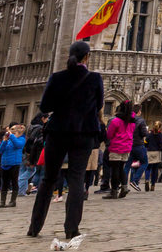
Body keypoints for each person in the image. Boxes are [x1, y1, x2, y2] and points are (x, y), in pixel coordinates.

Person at [26, 41, 105, 241]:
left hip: (58, 131)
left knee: (48, 179)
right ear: (87, 57)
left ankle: (35, 227)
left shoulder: (57, 77)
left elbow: (45, 105)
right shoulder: (94, 79)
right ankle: (71, 229)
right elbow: (99, 104)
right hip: (84, 132)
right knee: (77, 179)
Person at [103, 102, 138, 199]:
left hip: (116, 146)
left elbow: (109, 135)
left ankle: (114, 191)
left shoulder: (116, 121)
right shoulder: (132, 122)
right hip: (127, 147)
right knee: (121, 168)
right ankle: (124, 187)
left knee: (115, 169)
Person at [0, 123, 25, 206]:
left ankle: (13, 201)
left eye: (13, 133)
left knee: (14, 182)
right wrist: (4, 141)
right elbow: (0, 150)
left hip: (14, 163)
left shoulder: (21, 139)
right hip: (5, 163)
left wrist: (11, 136)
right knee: (4, 182)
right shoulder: (8, 141)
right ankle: (2, 201)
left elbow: (18, 145)